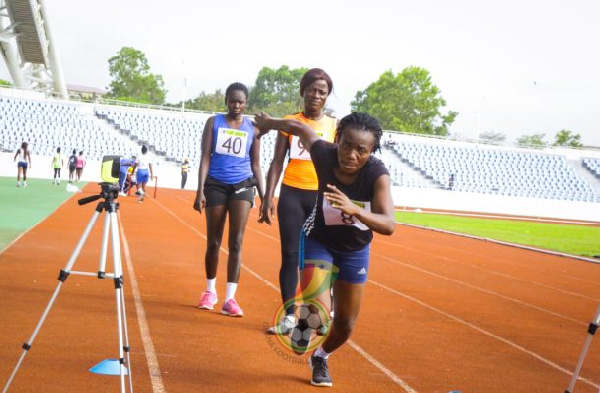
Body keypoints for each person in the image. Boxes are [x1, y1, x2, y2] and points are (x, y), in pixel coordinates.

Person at [254, 111, 395, 387]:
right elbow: (298, 126)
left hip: (354, 251)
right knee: (317, 313)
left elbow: (389, 224)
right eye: (347, 145)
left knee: (345, 325)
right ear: (337, 139)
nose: (351, 155)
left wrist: (355, 210)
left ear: (371, 152)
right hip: (319, 239)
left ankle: (320, 356)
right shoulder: (324, 154)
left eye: (361, 150)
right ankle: (314, 312)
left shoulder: (377, 176)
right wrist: (270, 124)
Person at [259, 68, 337, 334]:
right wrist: (268, 196)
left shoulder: (334, 127)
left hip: (320, 197)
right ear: (303, 91)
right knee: (290, 255)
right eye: (312, 90)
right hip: (292, 193)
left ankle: (326, 310)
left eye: (322, 92)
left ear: (328, 96)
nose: (316, 95)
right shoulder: (290, 122)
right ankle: (289, 317)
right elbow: (277, 162)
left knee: (323, 257)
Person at [193, 82, 264, 317]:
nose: (237, 105)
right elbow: (205, 156)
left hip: (242, 185)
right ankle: (210, 291)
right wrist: (200, 190)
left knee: (236, 242)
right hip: (215, 185)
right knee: (213, 242)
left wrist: (264, 197)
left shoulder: (252, 130)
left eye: (241, 102)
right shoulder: (214, 123)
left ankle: (230, 299)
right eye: (233, 101)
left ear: (246, 103)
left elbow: (256, 165)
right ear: (226, 101)